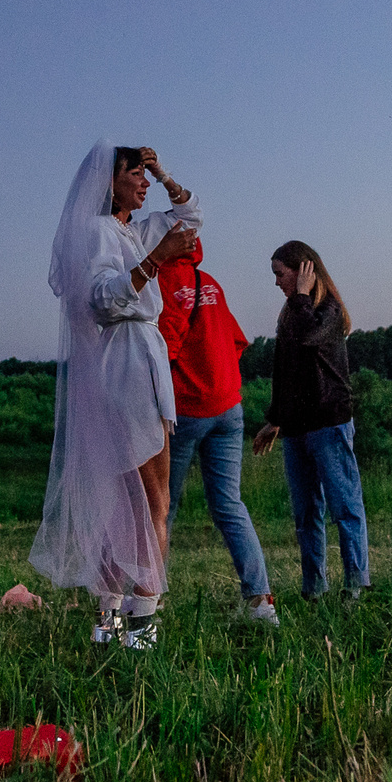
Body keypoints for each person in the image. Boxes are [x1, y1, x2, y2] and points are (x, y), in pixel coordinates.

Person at [33, 143, 200, 650]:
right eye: (136, 174)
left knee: (122, 506)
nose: (145, 184)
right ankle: (142, 625)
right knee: (154, 499)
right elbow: (101, 299)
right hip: (125, 360)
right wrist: (157, 259)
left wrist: (162, 170)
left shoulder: (130, 228)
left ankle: (108, 623)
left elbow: (189, 215)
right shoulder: (101, 232)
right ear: (110, 183)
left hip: (134, 359)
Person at [158, 237, 276, 625]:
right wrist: (218, 380)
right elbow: (237, 341)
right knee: (229, 505)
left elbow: (163, 350)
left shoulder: (163, 281)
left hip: (187, 409)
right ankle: (260, 601)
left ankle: (150, 602)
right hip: (229, 408)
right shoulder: (209, 281)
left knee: (163, 508)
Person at [250, 241, 369, 600]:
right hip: (298, 428)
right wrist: (275, 420)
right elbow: (285, 372)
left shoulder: (327, 311)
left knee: (345, 508)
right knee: (306, 514)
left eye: (280, 274)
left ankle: (356, 585)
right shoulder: (291, 313)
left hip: (329, 422)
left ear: (304, 270)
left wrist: (302, 296)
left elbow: (307, 338)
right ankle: (313, 588)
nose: (276, 283)